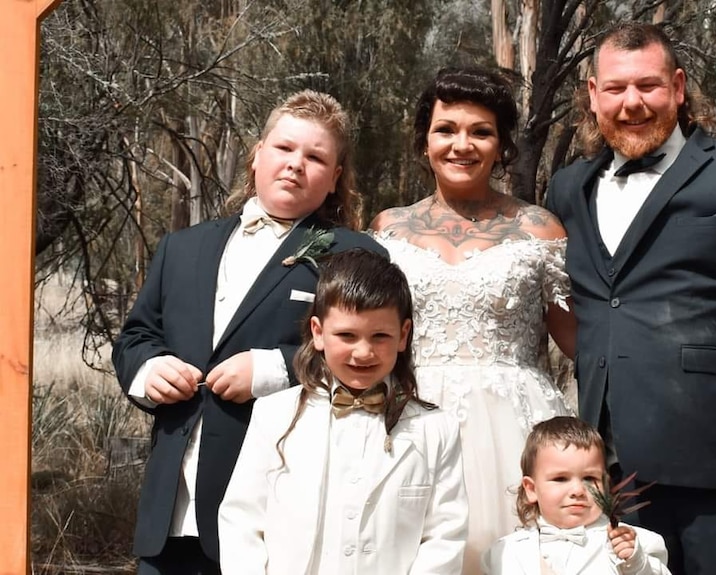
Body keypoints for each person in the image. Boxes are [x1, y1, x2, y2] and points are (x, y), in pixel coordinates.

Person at [545, 21, 716, 575]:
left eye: (648, 86)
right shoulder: (567, 189)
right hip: (614, 471)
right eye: (618, 89)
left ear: (677, 87)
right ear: (594, 96)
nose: (633, 104)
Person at [112, 90, 386, 574]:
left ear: (335, 178)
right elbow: (136, 337)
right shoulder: (182, 248)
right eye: (283, 149)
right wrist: (148, 370)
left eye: (315, 157)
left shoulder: (354, 255)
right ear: (258, 154)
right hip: (169, 512)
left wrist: (272, 368)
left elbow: (367, 354)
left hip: (273, 506)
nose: (295, 165)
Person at [369, 66, 578, 573]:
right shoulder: (387, 229)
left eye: (480, 131)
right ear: (424, 143)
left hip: (518, 429)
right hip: (411, 422)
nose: (462, 145)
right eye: (446, 130)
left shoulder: (539, 229)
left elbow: (582, 342)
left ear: (502, 145)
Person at [217, 248, 468, 574]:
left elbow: (445, 535)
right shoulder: (274, 415)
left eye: (380, 336)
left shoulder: (436, 428)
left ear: (403, 335)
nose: (363, 352)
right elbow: (242, 519)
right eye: (346, 335)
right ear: (318, 333)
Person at [482, 416, 671, 575]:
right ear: (531, 489)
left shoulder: (636, 544)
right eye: (560, 479)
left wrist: (637, 564)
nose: (578, 491)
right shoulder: (505, 552)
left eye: (589, 478)